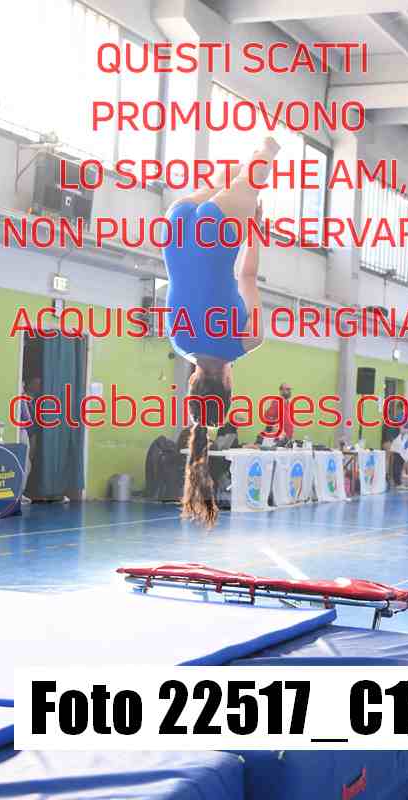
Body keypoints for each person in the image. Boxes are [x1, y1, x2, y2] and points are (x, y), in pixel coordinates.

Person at [163, 137, 280, 526]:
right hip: (176, 230)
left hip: (218, 232)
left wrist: (254, 230)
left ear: (228, 384)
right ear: (193, 381)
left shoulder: (247, 342)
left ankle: (270, 143)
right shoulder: (178, 340)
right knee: (228, 175)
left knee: (257, 168)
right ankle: (244, 151)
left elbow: (247, 276)